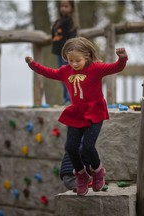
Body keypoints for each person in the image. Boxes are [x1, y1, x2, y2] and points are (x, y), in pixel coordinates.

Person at [25, 37, 128, 196]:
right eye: (70, 60)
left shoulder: (96, 68)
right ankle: (81, 175)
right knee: (71, 147)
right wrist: (32, 64)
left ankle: (98, 171)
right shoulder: (66, 71)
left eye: (77, 60)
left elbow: (116, 68)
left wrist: (122, 58)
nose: (73, 64)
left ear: (87, 55)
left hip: (95, 112)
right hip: (76, 114)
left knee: (87, 147)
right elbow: (49, 72)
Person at [51, 0, 78, 105]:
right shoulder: (58, 21)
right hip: (59, 52)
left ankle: (70, 98)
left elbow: (72, 38)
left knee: (69, 75)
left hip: (67, 53)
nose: (63, 8)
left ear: (71, 8)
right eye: (61, 6)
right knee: (62, 75)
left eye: (66, 6)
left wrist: (70, 52)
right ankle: (66, 98)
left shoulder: (70, 21)